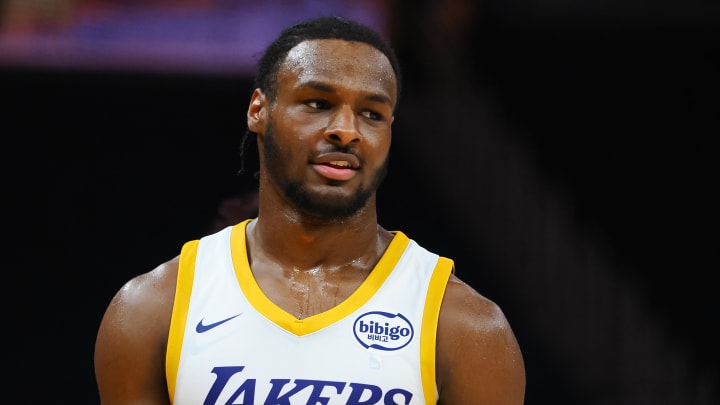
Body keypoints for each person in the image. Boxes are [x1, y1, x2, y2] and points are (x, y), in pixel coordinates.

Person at [94, 16, 526, 405]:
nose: (346, 130)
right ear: (258, 110)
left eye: (371, 114)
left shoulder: (466, 328)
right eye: (319, 104)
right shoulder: (154, 310)